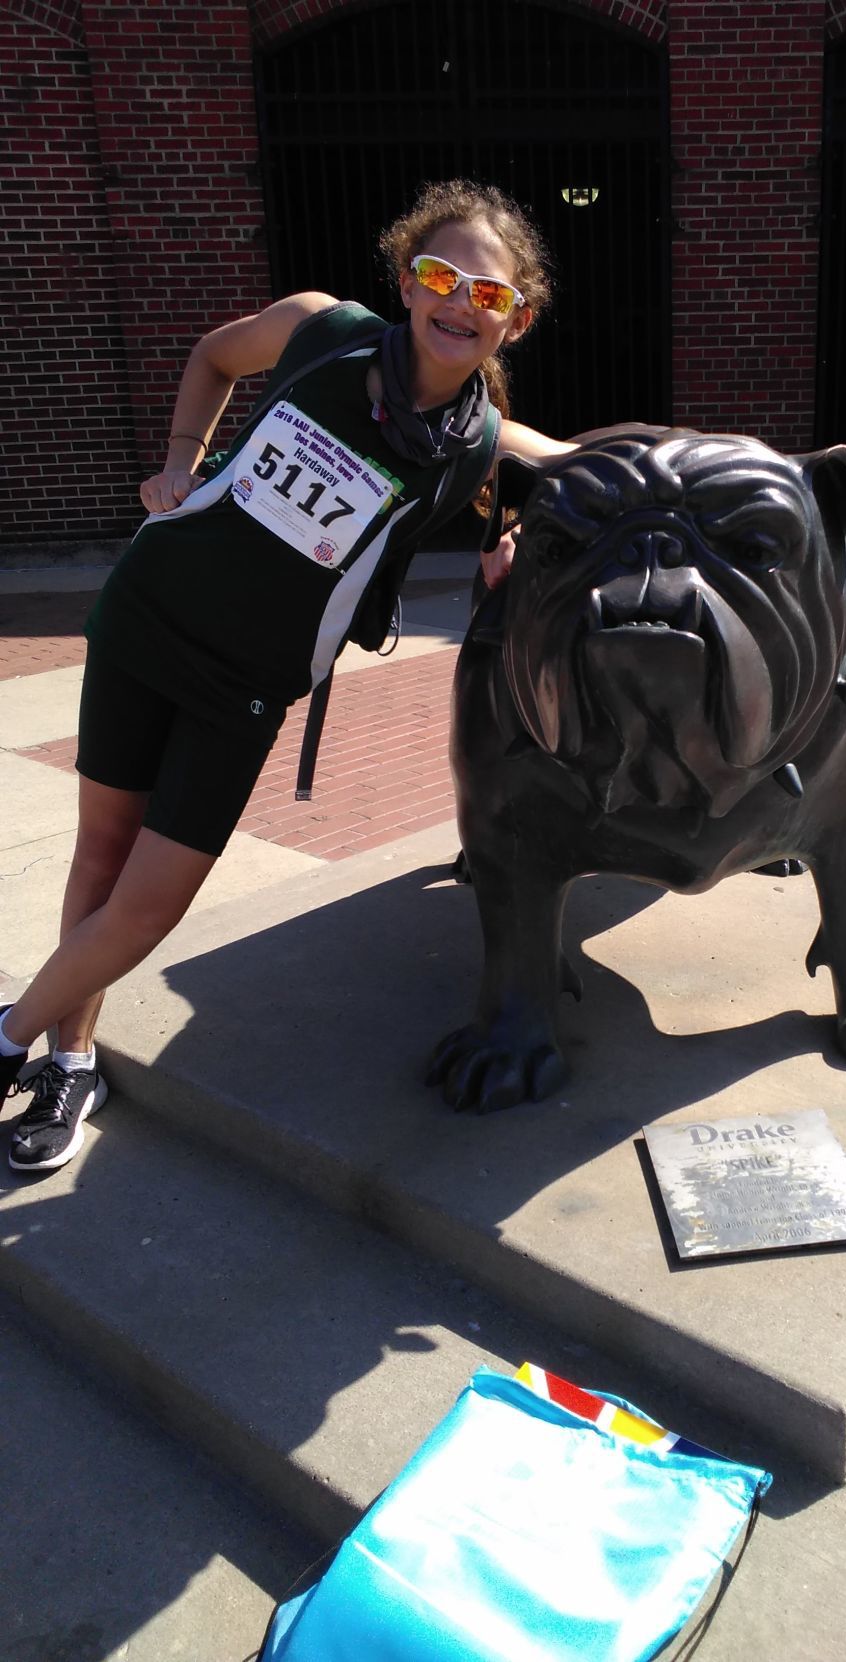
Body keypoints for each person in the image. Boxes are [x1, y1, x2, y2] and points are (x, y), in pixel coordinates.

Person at [0, 179, 575, 1173]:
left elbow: (585, 466)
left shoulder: (480, 442)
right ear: (406, 280)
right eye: (441, 276)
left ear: (515, 320)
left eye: (488, 295)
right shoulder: (322, 329)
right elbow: (214, 357)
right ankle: (67, 1058)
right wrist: (179, 460)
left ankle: (9, 1034)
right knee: (101, 854)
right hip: (149, 618)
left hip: (249, 683)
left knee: (148, 903)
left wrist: (521, 531)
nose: (458, 302)